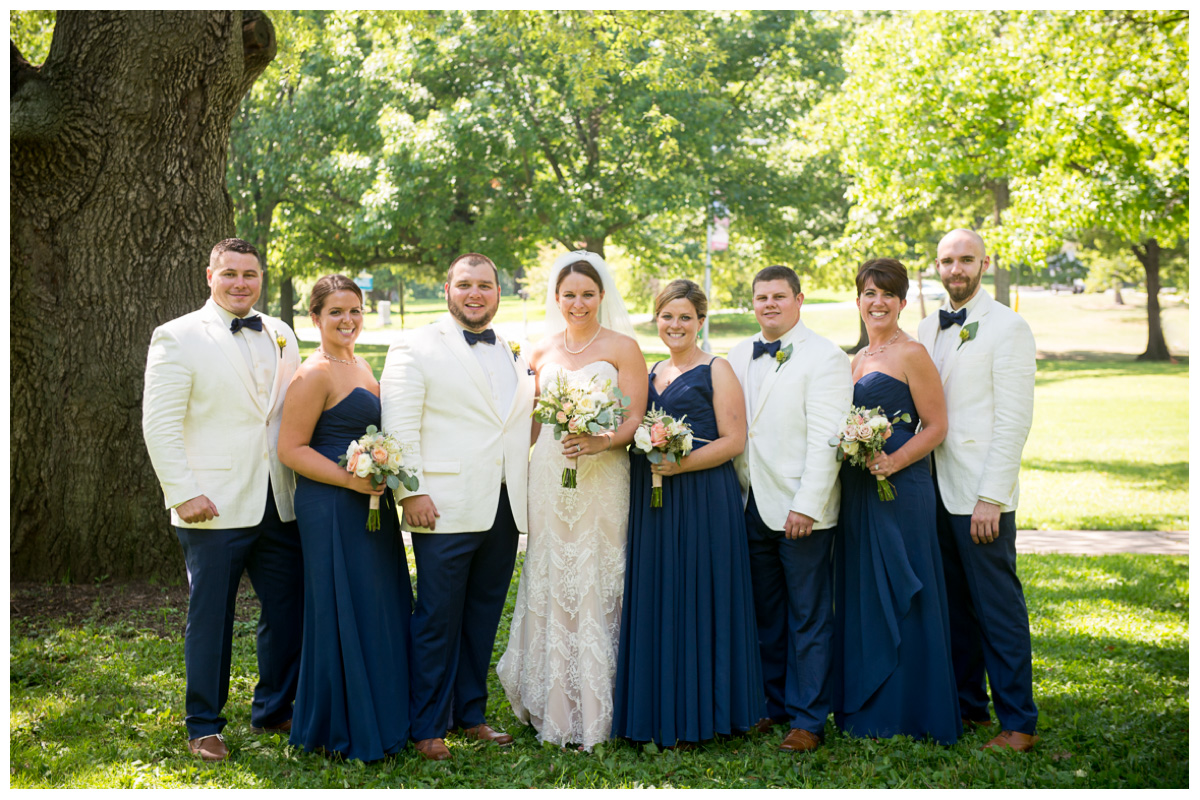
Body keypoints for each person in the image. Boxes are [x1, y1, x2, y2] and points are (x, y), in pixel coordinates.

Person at [142, 238, 304, 762]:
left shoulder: (281, 333)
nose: (240, 283)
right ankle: (204, 723)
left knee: (287, 612)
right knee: (210, 617)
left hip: (279, 500)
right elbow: (160, 423)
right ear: (209, 275)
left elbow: (285, 415)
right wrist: (183, 492)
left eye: (250, 274)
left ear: (261, 278)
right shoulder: (177, 336)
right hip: (211, 503)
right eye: (229, 273)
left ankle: (275, 707)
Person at [380, 253, 535, 762]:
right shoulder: (414, 345)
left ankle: (470, 714)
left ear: (498, 291)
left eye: (485, 285)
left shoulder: (512, 349)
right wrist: (411, 492)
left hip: (505, 505)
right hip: (442, 505)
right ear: (447, 287)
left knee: (482, 615)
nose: (475, 294)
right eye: (465, 284)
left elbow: (513, 424)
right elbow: (399, 425)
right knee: (437, 618)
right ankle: (427, 725)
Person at [497, 251, 648, 751]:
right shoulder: (539, 352)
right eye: (569, 295)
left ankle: (604, 702)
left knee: (599, 573)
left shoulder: (624, 348)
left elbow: (634, 420)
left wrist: (601, 441)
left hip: (603, 477)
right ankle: (553, 700)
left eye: (587, 294)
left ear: (602, 296)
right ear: (556, 299)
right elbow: (531, 423)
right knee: (551, 572)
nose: (578, 303)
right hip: (549, 475)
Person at [612, 279, 763, 749]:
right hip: (653, 501)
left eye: (685, 317)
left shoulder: (717, 369)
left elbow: (733, 440)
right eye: (667, 316)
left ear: (700, 322)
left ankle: (710, 711)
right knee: (661, 593)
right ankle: (657, 708)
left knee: (702, 594)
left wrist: (681, 464)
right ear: (655, 319)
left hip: (703, 497)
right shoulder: (650, 371)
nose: (675, 325)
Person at [277, 275, 411, 762]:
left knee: (377, 599)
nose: (348, 320)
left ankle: (382, 709)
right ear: (315, 318)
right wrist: (350, 479)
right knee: (341, 603)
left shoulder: (361, 364)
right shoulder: (314, 374)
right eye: (336, 312)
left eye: (354, 310)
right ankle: (342, 721)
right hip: (332, 503)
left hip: (368, 500)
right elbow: (290, 449)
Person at [917, 229, 1039, 752]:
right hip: (931, 489)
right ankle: (969, 708)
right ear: (937, 266)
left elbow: (1013, 421)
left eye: (966, 259)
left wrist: (992, 495)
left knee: (997, 608)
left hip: (979, 493)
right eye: (947, 261)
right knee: (953, 608)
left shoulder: (1009, 327)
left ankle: (1019, 723)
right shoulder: (925, 326)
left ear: (984, 263)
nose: (956, 269)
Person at [831, 258, 960, 745]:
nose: (877, 302)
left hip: (902, 488)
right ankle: (868, 709)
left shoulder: (913, 353)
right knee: (865, 589)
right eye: (869, 292)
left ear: (903, 302)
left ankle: (916, 709)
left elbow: (937, 425)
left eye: (888, 293)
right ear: (858, 300)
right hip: (861, 489)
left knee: (908, 587)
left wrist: (895, 461)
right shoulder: (855, 359)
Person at [727, 265, 852, 754]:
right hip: (750, 503)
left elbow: (829, 441)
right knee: (766, 614)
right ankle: (772, 707)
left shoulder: (825, 357)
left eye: (779, 296)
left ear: (800, 300)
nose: (769, 305)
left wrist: (807, 505)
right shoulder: (738, 354)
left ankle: (808, 720)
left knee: (809, 617)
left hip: (802, 511)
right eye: (761, 298)